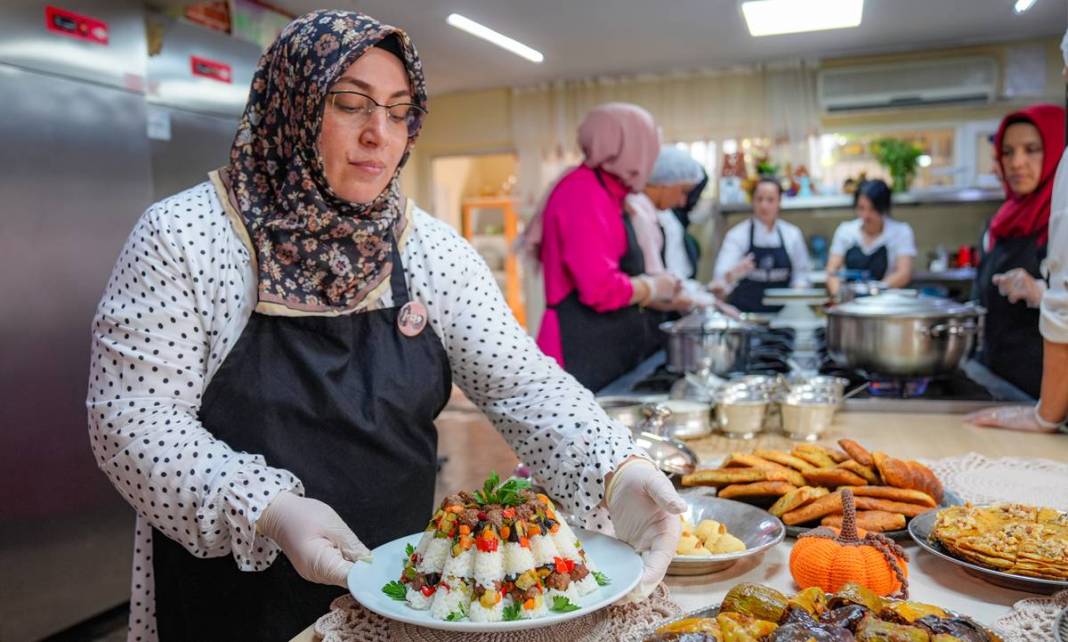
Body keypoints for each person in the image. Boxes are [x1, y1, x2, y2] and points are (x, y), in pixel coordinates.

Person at [87, 13, 683, 640]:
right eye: (350, 104)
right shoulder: (186, 237)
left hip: (399, 594)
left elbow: (521, 385)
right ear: (291, 107)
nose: (381, 133)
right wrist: (268, 511)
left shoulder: (427, 249)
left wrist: (615, 468)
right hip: (231, 590)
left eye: (399, 112)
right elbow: (132, 420)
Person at [532, 104, 684, 392]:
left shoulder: (610, 192)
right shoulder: (583, 193)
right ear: (631, 147)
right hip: (578, 348)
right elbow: (598, 288)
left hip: (603, 346)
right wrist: (652, 288)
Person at [970, 104, 1065, 399]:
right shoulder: (999, 223)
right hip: (1000, 381)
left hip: (1050, 397)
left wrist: (1040, 293)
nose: (1017, 162)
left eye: (1032, 149)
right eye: (1008, 152)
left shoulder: (1062, 220)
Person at [712, 177, 812, 312]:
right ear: (753, 201)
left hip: (784, 318)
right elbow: (719, 281)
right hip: (745, 317)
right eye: (759, 199)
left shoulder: (792, 235)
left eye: (770, 200)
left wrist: (798, 293)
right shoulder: (737, 235)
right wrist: (733, 274)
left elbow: (802, 275)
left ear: (779, 202)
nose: (764, 205)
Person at [626, 146, 706, 281]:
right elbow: (654, 278)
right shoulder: (637, 213)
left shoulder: (653, 212)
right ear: (666, 182)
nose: (682, 202)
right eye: (683, 191)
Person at [825, 179, 915, 297]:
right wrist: (839, 296)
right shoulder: (845, 231)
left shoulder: (901, 231)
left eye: (872, 209)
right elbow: (832, 271)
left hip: (886, 302)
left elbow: (904, 273)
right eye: (861, 208)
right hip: (851, 303)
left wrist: (874, 292)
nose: (866, 215)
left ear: (884, 208)